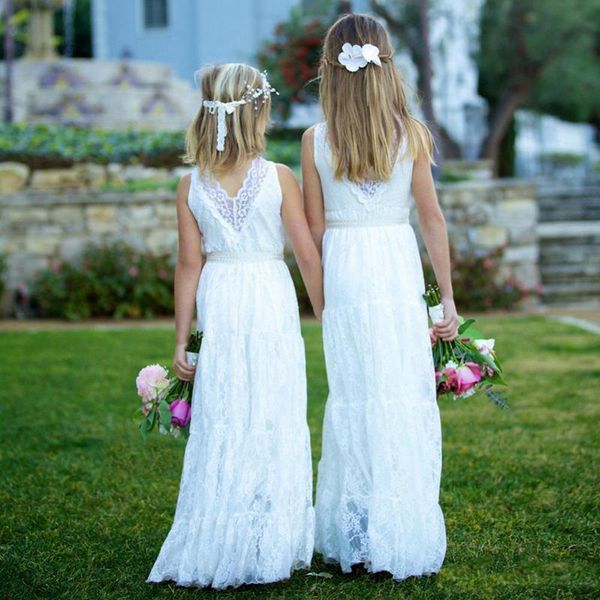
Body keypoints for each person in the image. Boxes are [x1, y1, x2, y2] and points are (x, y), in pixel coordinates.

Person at [146, 63, 323, 590]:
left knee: (225, 412)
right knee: (271, 410)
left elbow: (188, 265)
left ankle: (225, 530)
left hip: (220, 298)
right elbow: (307, 257)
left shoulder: (190, 184)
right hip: (268, 295)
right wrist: (327, 313)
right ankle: (268, 536)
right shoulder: (280, 177)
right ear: (258, 113)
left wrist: (183, 339)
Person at [302, 13, 458, 580]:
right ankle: (399, 528)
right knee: (401, 392)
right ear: (385, 63)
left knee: (354, 396)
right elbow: (432, 220)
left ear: (331, 68)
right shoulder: (411, 133)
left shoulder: (315, 140)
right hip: (395, 267)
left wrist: (323, 305)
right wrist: (446, 301)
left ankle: (359, 536)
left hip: (346, 270)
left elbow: (316, 234)